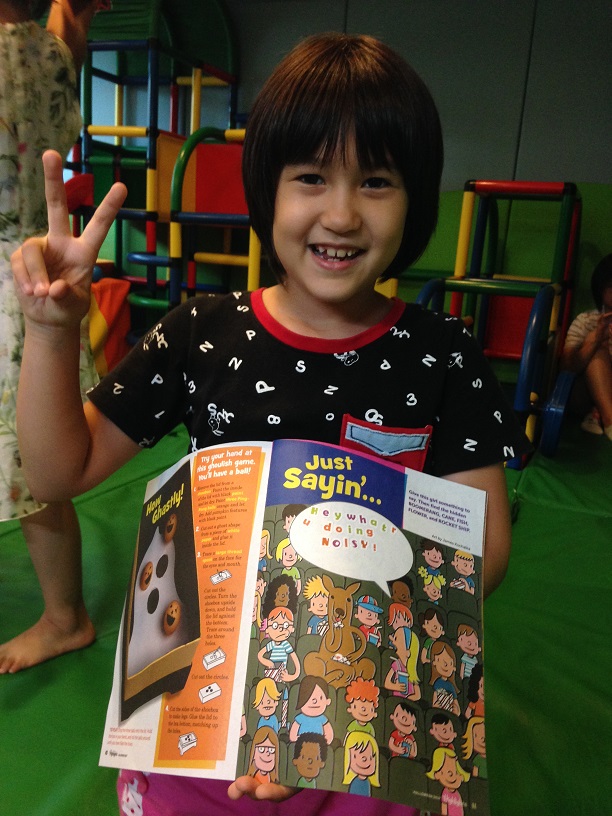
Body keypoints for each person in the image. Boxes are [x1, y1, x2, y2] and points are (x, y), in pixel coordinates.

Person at [12, 30, 530, 816]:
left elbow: (483, 549)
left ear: (417, 199)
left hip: (366, 709)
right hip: (205, 716)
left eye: (377, 181)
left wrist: (337, 665)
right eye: (311, 177)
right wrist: (51, 331)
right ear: (266, 187)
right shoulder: (201, 332)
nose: (342, 214)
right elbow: (56, 472)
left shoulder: (443, 354)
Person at [0, 0, 99, 674]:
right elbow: (69, 40)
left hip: (17, 284)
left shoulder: (20, 51)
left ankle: (65, 616)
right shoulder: (51, 50)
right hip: (33, 266)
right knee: (30, 460)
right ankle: (64, 613)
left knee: (31, 466)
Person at [561, 254, 612, 439]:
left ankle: (600, 414)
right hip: (583, 395)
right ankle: (609, 418)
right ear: (601, 290)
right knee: (598, 351)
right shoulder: (586, 320)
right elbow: (566, 368)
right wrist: (595, 339)